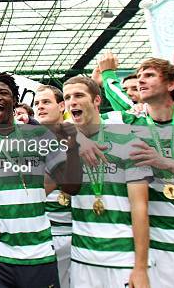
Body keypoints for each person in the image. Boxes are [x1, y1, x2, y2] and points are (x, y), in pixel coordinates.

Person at [0, 72, 82, 288]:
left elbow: (72, 186)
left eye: (3, 93)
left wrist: (73, 149)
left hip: (37, 251)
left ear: (14, 99)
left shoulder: (39, 135)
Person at [104, 58, 174, 288]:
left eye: (149, 75)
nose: (141, 79)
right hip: (156, 249)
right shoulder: (129, 123)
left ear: (171, 84)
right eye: (139, 74)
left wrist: (165, 163)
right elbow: (79, 124)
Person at [63, 76, 151, 288]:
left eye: (79, 95)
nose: (72, 101)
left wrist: (140, 267)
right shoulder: (66, 145)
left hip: (122, 259)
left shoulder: (128, 140)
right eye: (67, 97)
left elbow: (140, 206)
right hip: (82, 258)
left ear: (96, 100)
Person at [33, 85, 72, 288]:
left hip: (77, 235)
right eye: (37, 103)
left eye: (46, 102)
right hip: (41, 235)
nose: (40, 107)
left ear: (62, 105)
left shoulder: (80, 138)